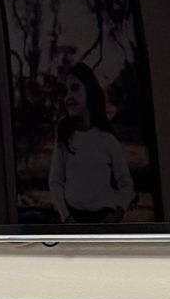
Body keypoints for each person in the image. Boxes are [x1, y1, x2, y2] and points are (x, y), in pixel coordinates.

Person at [47, 64, 135, 224]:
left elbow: (126, 183)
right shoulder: (64, 135)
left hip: (104, 220)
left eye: (74, 89)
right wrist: (66, 216)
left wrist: (117, 214)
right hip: (73, 220)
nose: (68, 96)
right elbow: (55, 181)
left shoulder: (108, 140)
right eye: (65, 91)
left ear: (90, 91)